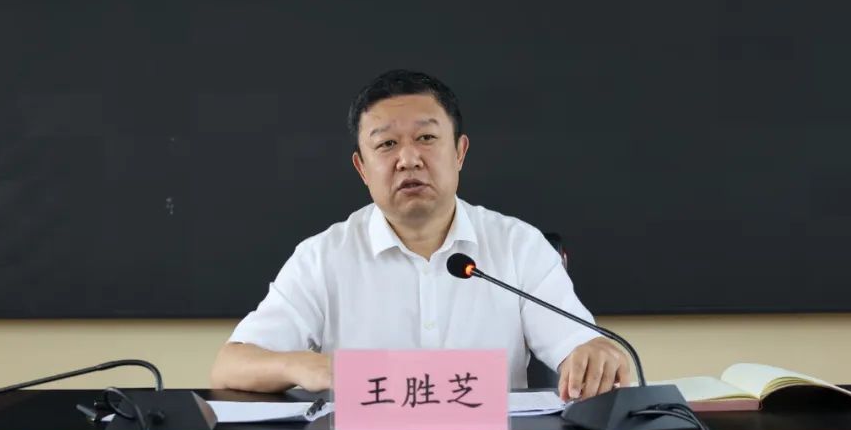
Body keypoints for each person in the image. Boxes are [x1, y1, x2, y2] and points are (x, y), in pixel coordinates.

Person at [210, 69, 629, 400]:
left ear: (459, 152)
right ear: (362, 168)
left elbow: (581, 347)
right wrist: (307, 366)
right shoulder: (323, 257)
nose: (408, 159)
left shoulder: (519, 246)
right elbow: (230, 366)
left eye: (426, 138)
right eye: (386, 144)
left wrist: (591, 355)